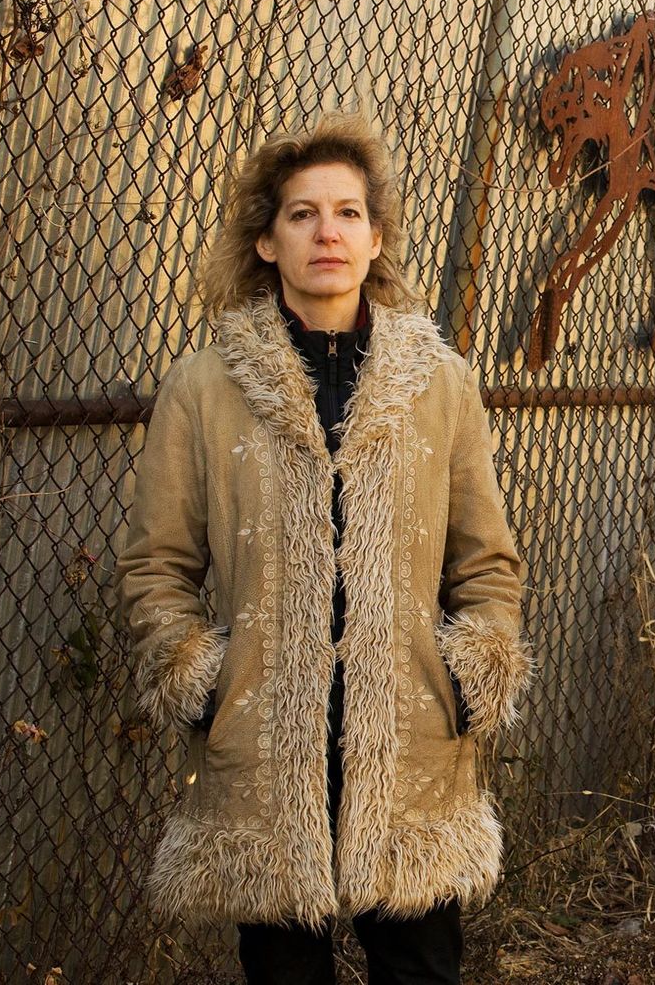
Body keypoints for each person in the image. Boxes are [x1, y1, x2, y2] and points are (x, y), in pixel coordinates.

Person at [115, 113, 531, 985]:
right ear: (266, 240)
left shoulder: (439, 383)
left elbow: (487, 560)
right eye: (303, 214)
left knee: (420, 965)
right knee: (282, 974)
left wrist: (473, 665)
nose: (327, 232)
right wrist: (198, 676)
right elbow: (157, 564)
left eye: (347, 212)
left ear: (375, 236)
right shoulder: (204, 387)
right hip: (266, 739)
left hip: (411, 736)